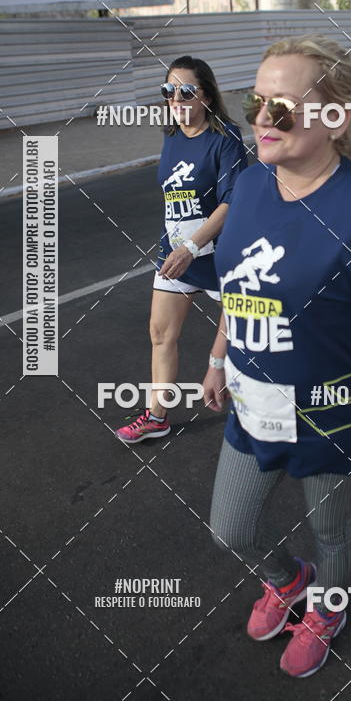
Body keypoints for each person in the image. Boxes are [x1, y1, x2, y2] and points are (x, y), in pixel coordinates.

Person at [202, 35, 351, 678]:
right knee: (231, 530)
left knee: (332, 532)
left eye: (282, 107)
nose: (261, 120)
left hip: (333, 410)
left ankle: (328, 605)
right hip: (253, 402)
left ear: (334, 118)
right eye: (255, 102)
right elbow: (237, 283)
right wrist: (219, 355)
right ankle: (288, 579)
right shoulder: (247, 188)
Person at [115, 56, 247, 443]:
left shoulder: (226, 137)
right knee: (160, 334)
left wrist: (192, 245)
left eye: (185, 91)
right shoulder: (171, 136)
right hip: (174, 255)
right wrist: (178, 246)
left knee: (249, 335)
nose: (175, 98)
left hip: (218, 255)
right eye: (168, 91)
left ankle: (263, 409)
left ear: (205, 95)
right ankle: (157, 416)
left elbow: (231, 201)